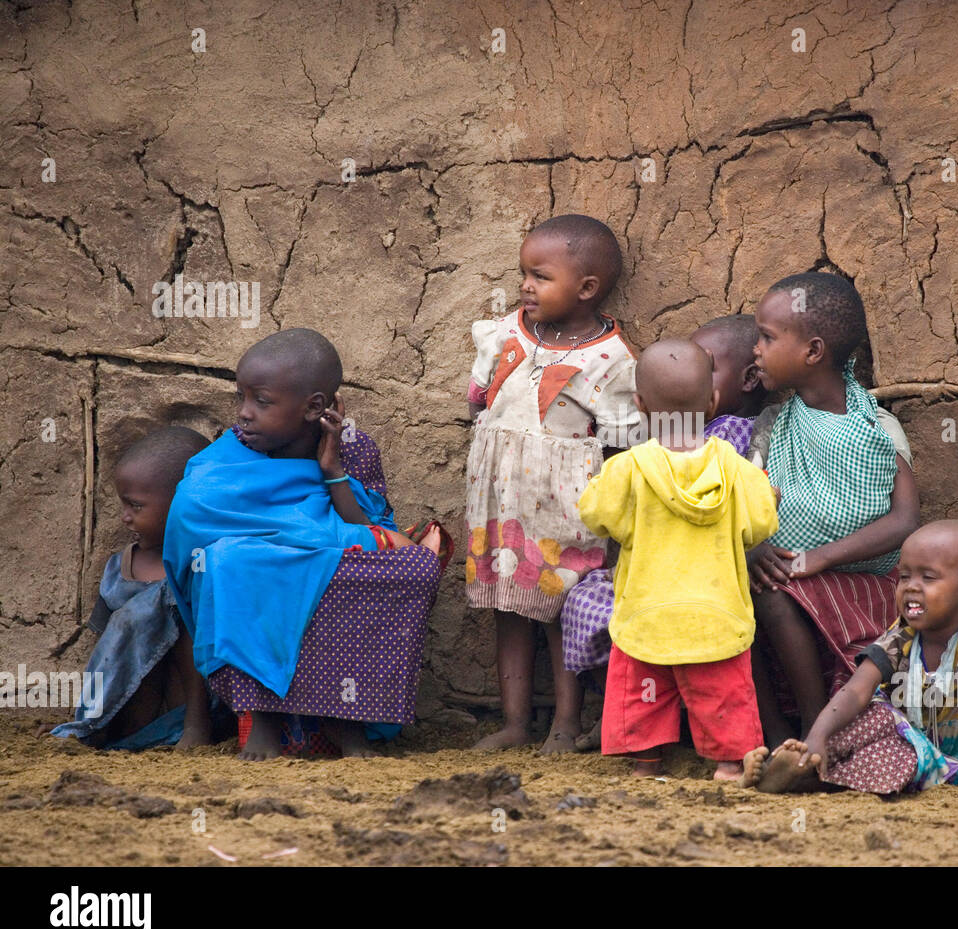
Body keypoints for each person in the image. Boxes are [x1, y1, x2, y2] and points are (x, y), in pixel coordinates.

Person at [164, 328, 446, 760]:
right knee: (226, 562)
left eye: (261, 401)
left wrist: (330, 468)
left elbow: (370, 529)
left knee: (409, 567)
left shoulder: (353, 448)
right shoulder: (231, 452)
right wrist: (304, 542)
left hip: (329, 561)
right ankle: (263, 718)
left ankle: (347, 720)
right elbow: (194, 514)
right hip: (256, 566)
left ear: (313, 406)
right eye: (241, 397)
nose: (244, 413)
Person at [464, 214, 640, 752]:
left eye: (540, 276)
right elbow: (478, 401)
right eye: (524, 273)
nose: (525, 286)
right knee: (507, 605)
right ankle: (515, 722)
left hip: (567, 506)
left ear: (587, 289)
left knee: (562, 608)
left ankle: (566, 720)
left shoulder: (611, 360)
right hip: (499, 496)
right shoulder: (502, 334)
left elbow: (618, 446)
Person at [559, 313, 768, 749]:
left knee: (641, 688)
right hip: (717, 612)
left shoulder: (629, 468)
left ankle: (646, 758)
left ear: (640, 404)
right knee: (722, 692)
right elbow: (759, 524)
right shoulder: (733, 465)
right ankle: (731, 763)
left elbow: (596, 516)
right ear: (712, 402)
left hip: (647, 612)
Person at [741, 521, 958, 797]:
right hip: (897, 739)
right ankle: (799, 762)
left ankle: (801, 780)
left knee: (902, 758)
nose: (910, 587)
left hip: (947, 763)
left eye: (928, 577)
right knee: (874, 714)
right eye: (904, 576)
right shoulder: (902, 634)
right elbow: (856, 690)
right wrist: (817, 736)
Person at [747, 272, 920, 747]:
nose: (755, 349)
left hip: (864, 579)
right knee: (741, 594)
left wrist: (820, 558)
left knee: (773, 592)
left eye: (766, 337)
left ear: (813, 351)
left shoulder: (876, 427)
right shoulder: (773, 429)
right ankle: (777, 729)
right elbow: (744, 509)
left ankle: (812, 728)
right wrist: (756, 549)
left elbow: (905, 521)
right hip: (786, 573)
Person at [52, 427, 225, 750]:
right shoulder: (120, 569)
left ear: (183, 503)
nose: (125, 517)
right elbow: (109, 653)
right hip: (128, 716)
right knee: (134, 618)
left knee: (176, 602)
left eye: (135, 506)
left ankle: (194, 723)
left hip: (193, 715)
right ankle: (95, 728)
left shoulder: (203, 565)